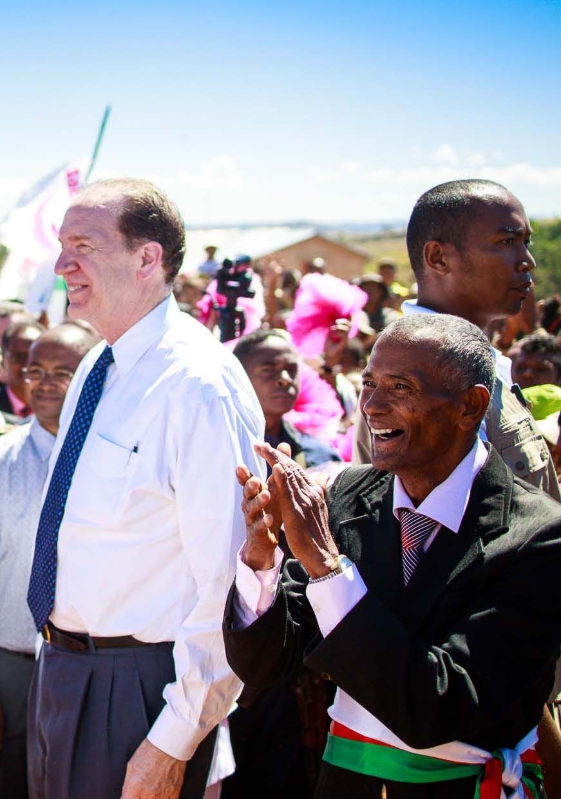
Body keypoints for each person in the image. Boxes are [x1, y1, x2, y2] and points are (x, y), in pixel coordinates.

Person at [225, 314, 561, 798]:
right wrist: (261, 560)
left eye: (400, 387)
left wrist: (326, 569)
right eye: (368, 384)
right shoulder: (351, 498)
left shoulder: (538, 537)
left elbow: (439, 707)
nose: (372, 406)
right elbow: (265, 666)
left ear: (470, 406)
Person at [27, 178, 264, 799]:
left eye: (83, 244)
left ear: (147, 258)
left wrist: (174, 739)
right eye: (61, 244)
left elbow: (231, 582)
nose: (61, 264)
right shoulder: (97, 364)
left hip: (143, 690)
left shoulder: (199, 384)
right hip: (65, 670)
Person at [352, 180, 559, 498]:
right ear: (438, 258)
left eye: (525, 243)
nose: (527, 261)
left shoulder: (479, 359)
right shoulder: (416, 373)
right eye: (507, 241)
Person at [0, 323, 97, 799]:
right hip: (9, 671)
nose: (43, 382)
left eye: (63, 372)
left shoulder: (119, 461)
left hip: (95, 666)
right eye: (35, 369)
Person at [234, 329, 340, 469]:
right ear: (238, 377)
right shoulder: (221, 449)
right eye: (267, 370)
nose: (285, 379)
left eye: (291, 369)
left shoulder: (321, 456)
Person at [0, 321, 44, 420]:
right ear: (2, 360)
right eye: (18, 357)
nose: (27, 365)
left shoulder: (61, 409)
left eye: (34, 356)